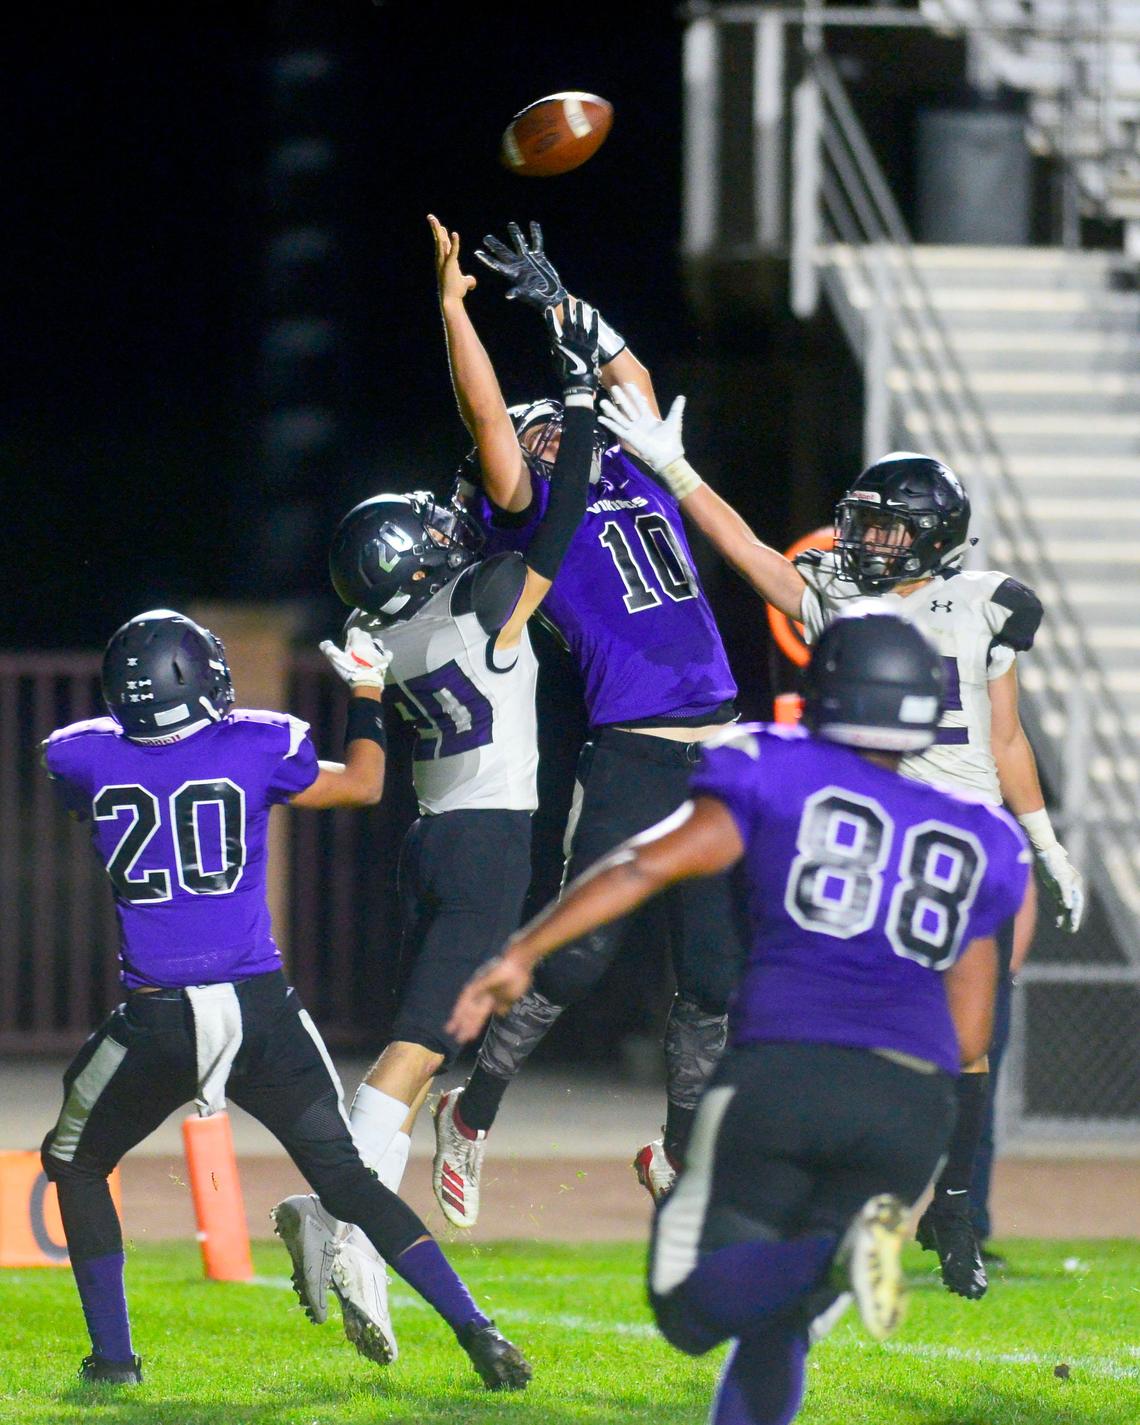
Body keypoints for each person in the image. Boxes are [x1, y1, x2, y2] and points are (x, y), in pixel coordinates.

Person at [447, 608, 1030, 1425]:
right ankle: (833, 1259)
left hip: (786, 1070)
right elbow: (973, 1032)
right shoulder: (983, 836)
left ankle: (830, 1259)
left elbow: (644, 860)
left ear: (824, 690)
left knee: (687, 1302)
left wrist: (523, 950)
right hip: (912, 1103)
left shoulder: (773, 765)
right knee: (778, 1321)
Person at [594, 382, 1085, 1300]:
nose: (864, 540)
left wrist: (1046, 842)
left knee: (968, 1048)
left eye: (888, 527)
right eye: (863, 521)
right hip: (878, 853)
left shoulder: (986, 603)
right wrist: (673, 467)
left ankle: (952, 1210)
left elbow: (1006, 736)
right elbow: (743, 551)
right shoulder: (836, 598)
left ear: (934, 535)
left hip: (969, 850)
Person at [40, 609, 530, 1392]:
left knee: (75, 1160)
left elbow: (100, 768)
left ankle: (115, 1360)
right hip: (263, 1010)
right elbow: (366, 783)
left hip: (161, 1014)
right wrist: (367, 692)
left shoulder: (80, 756)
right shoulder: (258, 741)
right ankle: (479, 1331)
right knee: (349, 1180)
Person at [270, 219, 602, 1363]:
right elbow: (555, 514)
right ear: (421, 555)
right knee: (417, 1050)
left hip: (432, 838)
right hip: (482, 847)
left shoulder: (385, 641)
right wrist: (586, 408)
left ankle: (344, 1203)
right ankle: (344, 1212)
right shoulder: (483, 601)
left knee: (430, 1046)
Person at [432, 220, 744, 1230]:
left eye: (556, 424)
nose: (554, 432)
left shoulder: (639, 465)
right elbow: (486, 417)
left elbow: (631, 377)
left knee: (713, 973)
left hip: (723, 744)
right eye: (537, 433)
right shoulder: (532, 512)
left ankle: (677, 1153)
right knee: (580, 954)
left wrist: (564, 298)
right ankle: (471, 1114)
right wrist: (456, 315)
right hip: (640, 745)